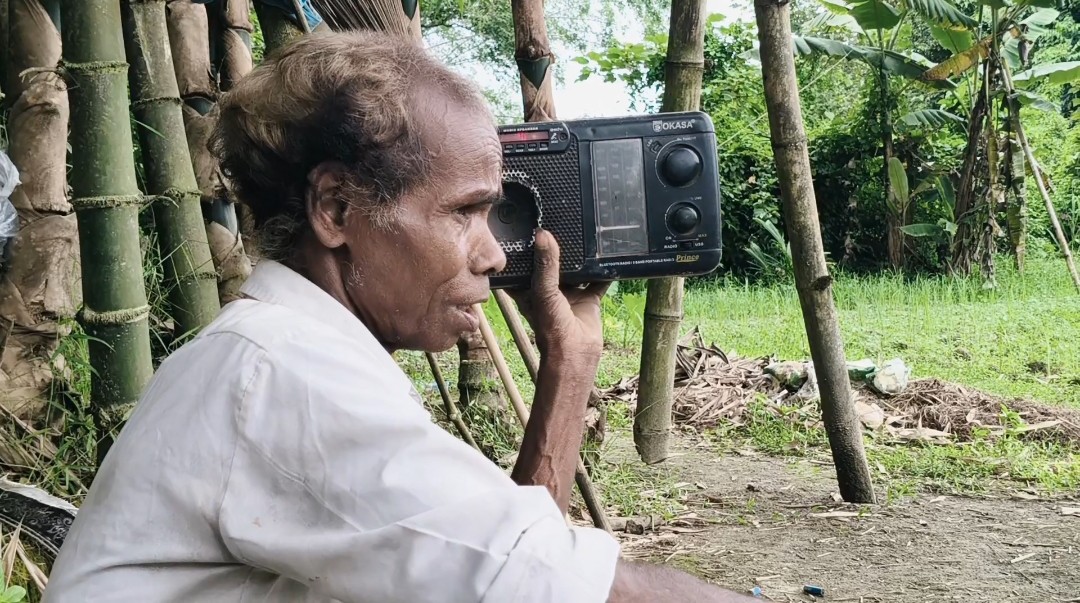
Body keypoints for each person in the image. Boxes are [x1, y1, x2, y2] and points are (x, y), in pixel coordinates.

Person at [44, 31, 755, 602]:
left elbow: (498, 571)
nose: (491, 253)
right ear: (336, 208)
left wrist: (570, 364)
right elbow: (553, 582)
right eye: (465, 212)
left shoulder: (282, 349)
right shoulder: (284, 375)